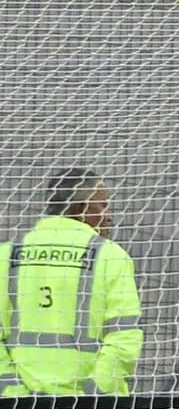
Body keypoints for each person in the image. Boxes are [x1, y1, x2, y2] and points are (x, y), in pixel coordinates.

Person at [0, 167, 142, 396]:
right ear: (81, 208)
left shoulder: (7, 255)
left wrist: (14, 395)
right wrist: (92, 400)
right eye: (103, 205)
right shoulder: (110, 256)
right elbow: (124, 336)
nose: (108, 216)